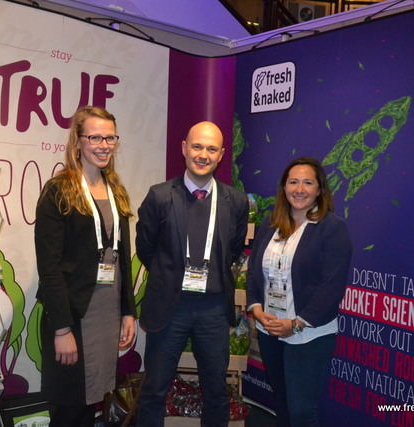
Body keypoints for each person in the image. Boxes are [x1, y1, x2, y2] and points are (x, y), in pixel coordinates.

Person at [134, 121, 250, 427]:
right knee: (154, 389)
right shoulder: (159, 196)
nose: (203, 154)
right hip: (169, 308)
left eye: (211, 149)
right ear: (184, 148)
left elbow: (233, 250)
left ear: (221, 155)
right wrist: (170, 275)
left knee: (216, 391)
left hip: (213, 310)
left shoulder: (236, 201)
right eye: (197, 146)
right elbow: (146, 248)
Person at [34, 106, 137, 427]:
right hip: (74, 318)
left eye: (110, 138)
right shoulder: (58, 190)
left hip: (107, 316)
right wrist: (62, 329)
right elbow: (49, 266)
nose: (104, 145)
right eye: (95, 137)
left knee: (93, 403)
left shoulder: (115, 189)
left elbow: (123, 256)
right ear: (77, 141)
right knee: (69, 410)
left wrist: (128, 311)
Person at [246, 156, 352, 427]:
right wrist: (256, 310)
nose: (300, 189)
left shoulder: (332, 228)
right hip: (271, 329)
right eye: (293, 182)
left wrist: (296, 324)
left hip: (308, 334)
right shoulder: (270, 224)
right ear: (284, 188)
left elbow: (332, 287)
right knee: (282, 402)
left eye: (308, 183)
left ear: (319, 189)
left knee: (302, 411)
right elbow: (255, 272)